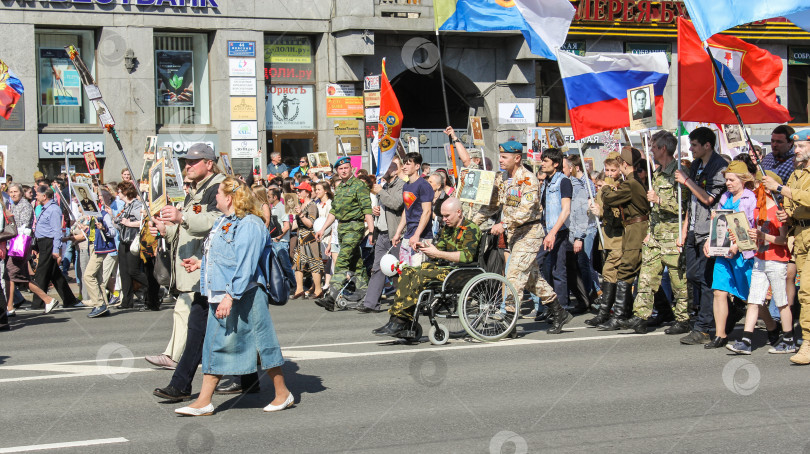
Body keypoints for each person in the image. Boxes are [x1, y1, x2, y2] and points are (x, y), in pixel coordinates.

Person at [173, 176, 293, 416]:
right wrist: (199, 264)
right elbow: (222, 255)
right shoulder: (224, 221)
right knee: (214, 344)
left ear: (229, 198)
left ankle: (282, 393)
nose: (214, 196)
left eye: (217, 193)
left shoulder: (250, 224)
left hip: (245, 294)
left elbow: (246, 265)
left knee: (261, 343)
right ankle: (204, 401)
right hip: (222, 292)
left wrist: (230, 296)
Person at [149, 144, 253, 400]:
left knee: (205, 326)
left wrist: (181, 217)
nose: (187, 166)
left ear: (209, 163)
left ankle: (182, 385)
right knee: (225, 326)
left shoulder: (220, 187)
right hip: (203, 266)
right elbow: (192, 225)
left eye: (193, 162)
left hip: (217, 270)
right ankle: (249, 378)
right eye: (186, 162)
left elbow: (215, 222)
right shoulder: (196, 190)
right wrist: (167, 229)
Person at [492, 142, 571, 333]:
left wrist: (503, 224)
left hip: (530, 233)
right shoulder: (501, 178)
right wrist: (474, 221)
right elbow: (491, 204)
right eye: (500, 156)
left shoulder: (528, 180)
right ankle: (559, 311)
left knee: (514, 273)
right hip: (514, 235)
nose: (500, 160)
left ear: (517, 158)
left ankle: (509, 322)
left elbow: (526, 212)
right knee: (532, 279)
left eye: (504, 157)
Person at [373, 197, 481, 336]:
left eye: (447, 215)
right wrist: (425, 246)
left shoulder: (471, 229)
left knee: (420, 276)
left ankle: (400, 321)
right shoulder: (447, 229)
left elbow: (467, 256)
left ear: (459, 212)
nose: (444, 219)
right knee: (408, 271)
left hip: (459, 272)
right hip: (444, 268)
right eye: (442, 215)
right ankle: (399, 319)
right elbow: (438, 249)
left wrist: (438, 253)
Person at [727, 171, 794, 354]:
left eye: (758, 185)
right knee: (754, 300)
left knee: (781, 302)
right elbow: (754, 236)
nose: (755, 188)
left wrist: (763, 236)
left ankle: (788, 339)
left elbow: (783, 240)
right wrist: (740, 237)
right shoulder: (758, 209)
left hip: (776, 261)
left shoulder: (778, 210)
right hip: (760, 259)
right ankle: (746, 342)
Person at [632, 131, 691, 334]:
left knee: (678, 281)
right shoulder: (656, 173)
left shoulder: (679, 173)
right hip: (656, 235)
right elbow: (654, 211)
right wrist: (649, 231)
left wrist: (660, 200)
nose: (652, 150)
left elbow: (684, 207)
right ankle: (641, 317)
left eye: (654, 147)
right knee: (647, 277)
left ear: (663, 149)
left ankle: (683, 318)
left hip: (673, 235)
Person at [675, 127, 729, 345]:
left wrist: (686, 181)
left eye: (694, 145)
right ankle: (722, 312)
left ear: (707, 145)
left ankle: (704, 326)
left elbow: (709, 199)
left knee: (707, 280)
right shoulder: (696, 165)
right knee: (692, 275)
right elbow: (692, 202)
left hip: (710, 230)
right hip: (693, 229)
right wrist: (685, 228)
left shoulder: (719, 167)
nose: (691, 149)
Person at [762, 129, 810, 364]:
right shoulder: (797, 173)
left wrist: (779, 188)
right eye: (796, 146)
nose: (796, 151)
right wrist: (786, 213)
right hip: (800, 236)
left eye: (800, 147)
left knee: (807, 292)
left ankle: (808, 345)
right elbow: (793, 203)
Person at [703, 161, 757, 349]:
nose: (728, 183)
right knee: (719, 292)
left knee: (752, 296)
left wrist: (738, 245)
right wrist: (709, 241)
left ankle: (773, 327)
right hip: (723, 252)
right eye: (726, 179)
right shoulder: (726, 197)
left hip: (743, 254)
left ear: (743, 180)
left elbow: (751, 228)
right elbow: (718, 221)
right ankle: (720, 334)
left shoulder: (751, 199)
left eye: (732, 179)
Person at [599, 146, 650, 331]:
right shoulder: (632, 181)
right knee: (642, 270)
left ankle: (620, 315)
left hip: (637, 228)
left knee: (626, 268)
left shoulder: (631, 183)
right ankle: (663, 311)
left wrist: (605, 189)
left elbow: (611, 199)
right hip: (633, 227)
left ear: (624, 164)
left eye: (619, 165)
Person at [314, 156, 373, 310]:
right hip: (342, 229)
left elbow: (367, 209)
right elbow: (334, 212)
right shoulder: (340, 188)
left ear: (351, 168)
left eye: (346, 167)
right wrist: (322, 229)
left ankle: (331, 296)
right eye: (340, 169)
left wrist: (372, 231)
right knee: (357, 264)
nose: (343, 170)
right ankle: (367, 295)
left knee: (341, 261)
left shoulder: (359, 186)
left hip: (354, 228)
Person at [359, 158, 405, 312]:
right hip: (382, 233)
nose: (389, 168)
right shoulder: (383, 186)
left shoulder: (402, 186)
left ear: (399, 169)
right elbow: (384, 208)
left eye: (393, 165)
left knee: (397, 269)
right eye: (387, 165)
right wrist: (376, 211)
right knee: (377, 268)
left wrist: (381, 192)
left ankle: (403, 301)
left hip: (396, 234)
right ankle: (370, 303)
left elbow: (397, 204)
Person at [585, 154, 625, 327]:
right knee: (609, 273)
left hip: (617, 236)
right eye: (607, 169)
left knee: (610, 272)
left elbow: (617, 215)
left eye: (613, 170)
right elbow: (596, 209)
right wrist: (592, 208)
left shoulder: (620, 188)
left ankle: (606, 312)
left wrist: (600, 211)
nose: (610, 173)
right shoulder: (603, 189)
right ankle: (610, 311)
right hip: (605, 236)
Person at [5, 184, 54, 317]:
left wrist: (10, 219)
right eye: (11, 192)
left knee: (11, 274)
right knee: (18, 276)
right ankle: (11, 306)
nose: (13, 194)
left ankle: (10, 307)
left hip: (21, 244)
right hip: (15, 243)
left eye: (15, 191)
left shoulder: (24, 206)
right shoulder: (12, 205)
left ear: (21, 193)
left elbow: (23, 226)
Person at [31, 185, 79, 312]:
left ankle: (39, 302)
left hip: (48, 242)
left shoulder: (53, 210)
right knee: (54, 273)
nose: (36, 196)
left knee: (41, 273)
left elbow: (56, 231)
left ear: (44, 196)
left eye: (38, 194)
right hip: (42, 242)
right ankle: (69, 299)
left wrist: (56, 250)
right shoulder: (44, 208)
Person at [538, 148, 572, 312]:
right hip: (545, 231)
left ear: (556, 164)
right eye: (542, 160)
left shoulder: (563, 181)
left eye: (545, 161)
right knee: (545, 269)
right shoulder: (546, 182)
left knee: (558, 271)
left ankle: (562, 309)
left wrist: (553, 233)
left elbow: (566, 210)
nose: (542, 163)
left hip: (558, 231)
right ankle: (548, 307)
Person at [392, 152, 434, 268]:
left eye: (408, 164)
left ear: (417, 166)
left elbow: (427, 212)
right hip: (408, 235)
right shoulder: (406, 186)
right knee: (404, 270)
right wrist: (398, 233)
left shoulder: (423, 185)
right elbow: (406, 210)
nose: (404, 167)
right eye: (404, 164)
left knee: (417, 273)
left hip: (421, 236)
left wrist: (417, 234)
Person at [113, 181, 147, 310]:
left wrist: (128, 223)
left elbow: (143, 222)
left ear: (126, 192)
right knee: (124, 272)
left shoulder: (137, 205)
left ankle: (152, 287)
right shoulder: (126, 206)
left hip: (132, 240)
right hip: (123, 240)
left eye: (120, 191)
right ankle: (126, 301)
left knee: (133, 270)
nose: (118, 194)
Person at [80, 202, 117, 318]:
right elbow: (93, 234)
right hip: (93, 247)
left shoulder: (103, 214)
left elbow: (112, 232)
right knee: (98, 278)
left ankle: (98, 303)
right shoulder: (92, 217)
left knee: (88, 276)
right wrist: (86, 229)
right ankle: (104, 305)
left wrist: (104, 228)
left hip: (100, 248)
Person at [291, 182, 323, 299]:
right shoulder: (301, 205)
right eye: (297, 190)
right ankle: (299, 289)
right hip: (301, 237)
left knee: (314, 263)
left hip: (310, 238)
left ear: (307, 192)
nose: (298, 192)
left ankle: (318, 290)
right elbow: (296, 224)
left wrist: (300, 214)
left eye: (300, 190)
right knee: (298, 264)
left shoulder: (312, 206)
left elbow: (310, 224)